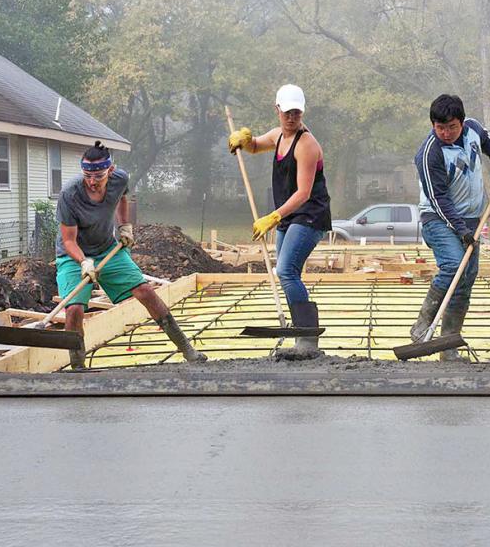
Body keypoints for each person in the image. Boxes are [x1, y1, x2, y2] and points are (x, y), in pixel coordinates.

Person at [56, 142, 206, 368]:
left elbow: (122, 197)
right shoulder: (70, 194)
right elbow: (68, 240)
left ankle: (188, 350)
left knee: (146, 291)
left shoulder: (120, 179)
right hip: (74, 255)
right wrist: (84, 262)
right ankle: (77, 368)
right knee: (74, 309)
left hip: (107, 248)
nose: (93, 182)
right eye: (88, 176)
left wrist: (125, 226)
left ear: (111, 171)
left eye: (98, 176)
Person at [228, 84, 331, 359]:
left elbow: (304, 193)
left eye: (296, 112)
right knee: (286, 274)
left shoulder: (307, 145)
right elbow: (255, 145)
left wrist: (273, 217)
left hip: (310, 215)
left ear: (302, 112)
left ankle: (307, 338)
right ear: (277, 110)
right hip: (290, 216)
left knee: (286, 270)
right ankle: (301, 333)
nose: (291, 117)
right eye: (286, 112)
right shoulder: (277, 135)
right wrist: (245, 139)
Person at [411, 94, 490, 360]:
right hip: (438, 218)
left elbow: (489, 143)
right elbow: (438, 199)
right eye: (439, 127)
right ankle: (424, 322)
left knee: (466, 280)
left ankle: (448, 346)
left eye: (451, 127)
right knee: (454, 266)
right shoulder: (429, 154)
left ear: (461, 123)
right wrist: (460, 229)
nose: (446, 133)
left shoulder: (474, 129)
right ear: (433, 125)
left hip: (471, 219)